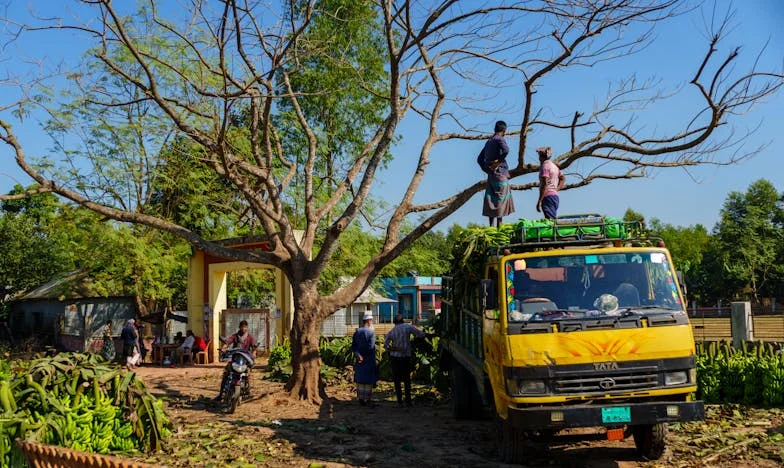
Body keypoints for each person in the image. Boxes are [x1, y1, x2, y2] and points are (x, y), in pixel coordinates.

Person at [479, 120, 515, 228]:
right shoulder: (499, 139)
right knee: (500, 200)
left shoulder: (489, 141)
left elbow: (479, 159)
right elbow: (506, 150)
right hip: (500, 174)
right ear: (504, 130)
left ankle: (491, 226)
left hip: (491, 176)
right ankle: (499, 225)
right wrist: (498, 162)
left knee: (491, 199)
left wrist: (488, 170)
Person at [384, 315, 425, 407]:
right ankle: (408, 401)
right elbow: (421, 334)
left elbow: (386, 345)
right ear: (402, 321)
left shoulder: (392, 331)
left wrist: (394, 349)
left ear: (394, 322)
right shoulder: (407, 327)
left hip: (395, 358)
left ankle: (399, 401)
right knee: (406, 379)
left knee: (397, 380)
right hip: (405, 357)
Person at [214, 320, 257, 401]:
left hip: (245, 359)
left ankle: (247, 390)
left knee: (247, 373)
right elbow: (227, 343)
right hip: (235, 358)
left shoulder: (250, 337)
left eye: (245, 327)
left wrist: (254, 353)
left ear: (247, 328)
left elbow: (254, 347)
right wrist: (224, 348)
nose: (243, 328)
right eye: (242, 327)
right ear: (239, 327)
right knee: (226, 373)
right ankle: (220, 394)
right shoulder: (235, 336)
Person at [352, 311, 378, 407]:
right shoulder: (371, 332)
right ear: (369, 320)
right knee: (368, 378)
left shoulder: (357, 331)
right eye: (372, 320)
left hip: (359, 359)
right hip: (369, 359)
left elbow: (353, 346)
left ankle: (361, 398)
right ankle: (367, 399)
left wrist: (358, 355)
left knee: (360, 378)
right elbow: (371, 347)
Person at [535, 146, 565, 219]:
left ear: (541, 157)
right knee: (552, 218)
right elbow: (562, 178)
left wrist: (539, 201)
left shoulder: (544, 167)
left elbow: (544, 184)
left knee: (550, 221)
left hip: (547, 197)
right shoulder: (554, 166)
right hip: (555, 197)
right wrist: (556, 189)